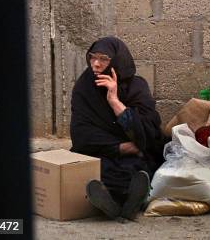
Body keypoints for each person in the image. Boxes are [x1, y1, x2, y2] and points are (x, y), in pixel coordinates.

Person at [70, 36, 167, 221]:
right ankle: (118, 204)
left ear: (116, 61)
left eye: (103, 59)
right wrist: (121, 147)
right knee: (99, 170)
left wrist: (115, 102)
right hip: (102, 152)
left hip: (136, 155)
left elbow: (148, 131)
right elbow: (81, 134)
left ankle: (126, 201)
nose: (96, 64)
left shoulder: (137, 87)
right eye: (92, 57)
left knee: (136, 170)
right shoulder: (84, 87)